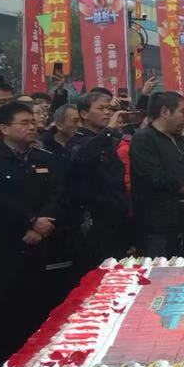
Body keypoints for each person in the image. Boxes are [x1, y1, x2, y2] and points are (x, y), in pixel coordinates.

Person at [0, 102, 71, 366]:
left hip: (41, 244)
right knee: (6, 310)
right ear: (4, 128)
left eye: (32, 122)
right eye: (23, 123)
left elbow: (58, 194)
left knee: (38, 306)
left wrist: (43, 223)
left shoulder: (43, 158)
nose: (31, 127)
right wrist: (30, 221)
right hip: (7, 246)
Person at [128, 91, 184, 256]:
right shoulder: (144, 139)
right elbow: (156, 177)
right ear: (164, 111)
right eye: (183, 111)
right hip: (157, 227)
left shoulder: (182, 140)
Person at [67, 89, 133, 267]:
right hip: (94, 222)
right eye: (101, 108)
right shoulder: (77, 142)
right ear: (84, 113)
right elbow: (83, 158)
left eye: (109, 109)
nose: (107, 113)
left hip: (118, 218)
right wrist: (109, 130)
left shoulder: (110, 140)